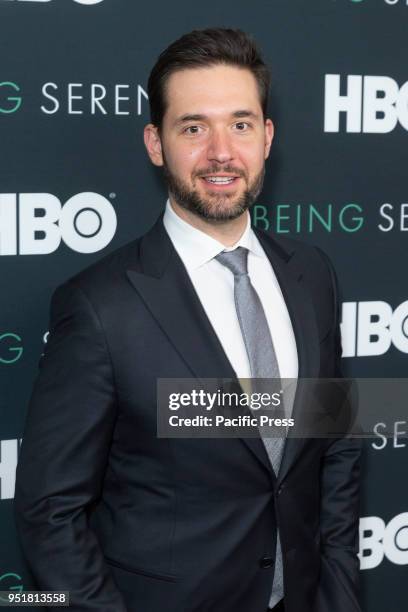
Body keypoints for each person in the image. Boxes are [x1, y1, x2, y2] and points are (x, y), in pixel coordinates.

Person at [14, 28, 362, 612]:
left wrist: (340, 593)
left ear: (268, 137)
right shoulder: (100, 306)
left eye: (241, 124)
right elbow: (50, 512)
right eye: (194, 127)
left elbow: (337, 444)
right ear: (156, 143)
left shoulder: (312, 274)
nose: (221, 151)